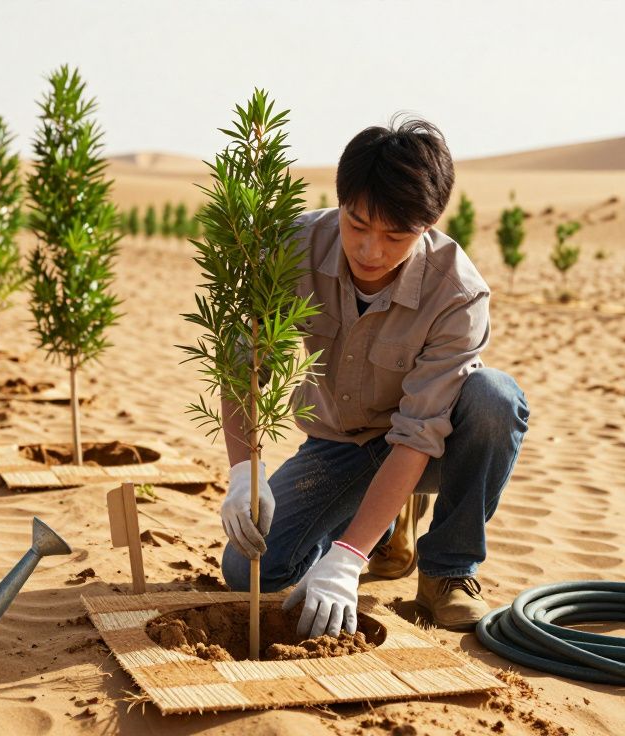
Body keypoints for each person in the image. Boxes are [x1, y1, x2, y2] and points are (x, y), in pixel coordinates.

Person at [218, 117, 530, 638]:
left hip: (431, 447)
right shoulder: (293, 248)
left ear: (428, 225)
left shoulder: (457, 294)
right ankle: (383, 524)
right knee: (250, 570)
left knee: (494, 398)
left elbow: (418, 434)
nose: (370, 251)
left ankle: (446, 572)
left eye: (395, 235)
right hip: (341, 442)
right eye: (357, 225)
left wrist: (346, 559)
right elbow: (242, 367)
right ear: (339, 202)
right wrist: (242, 471)